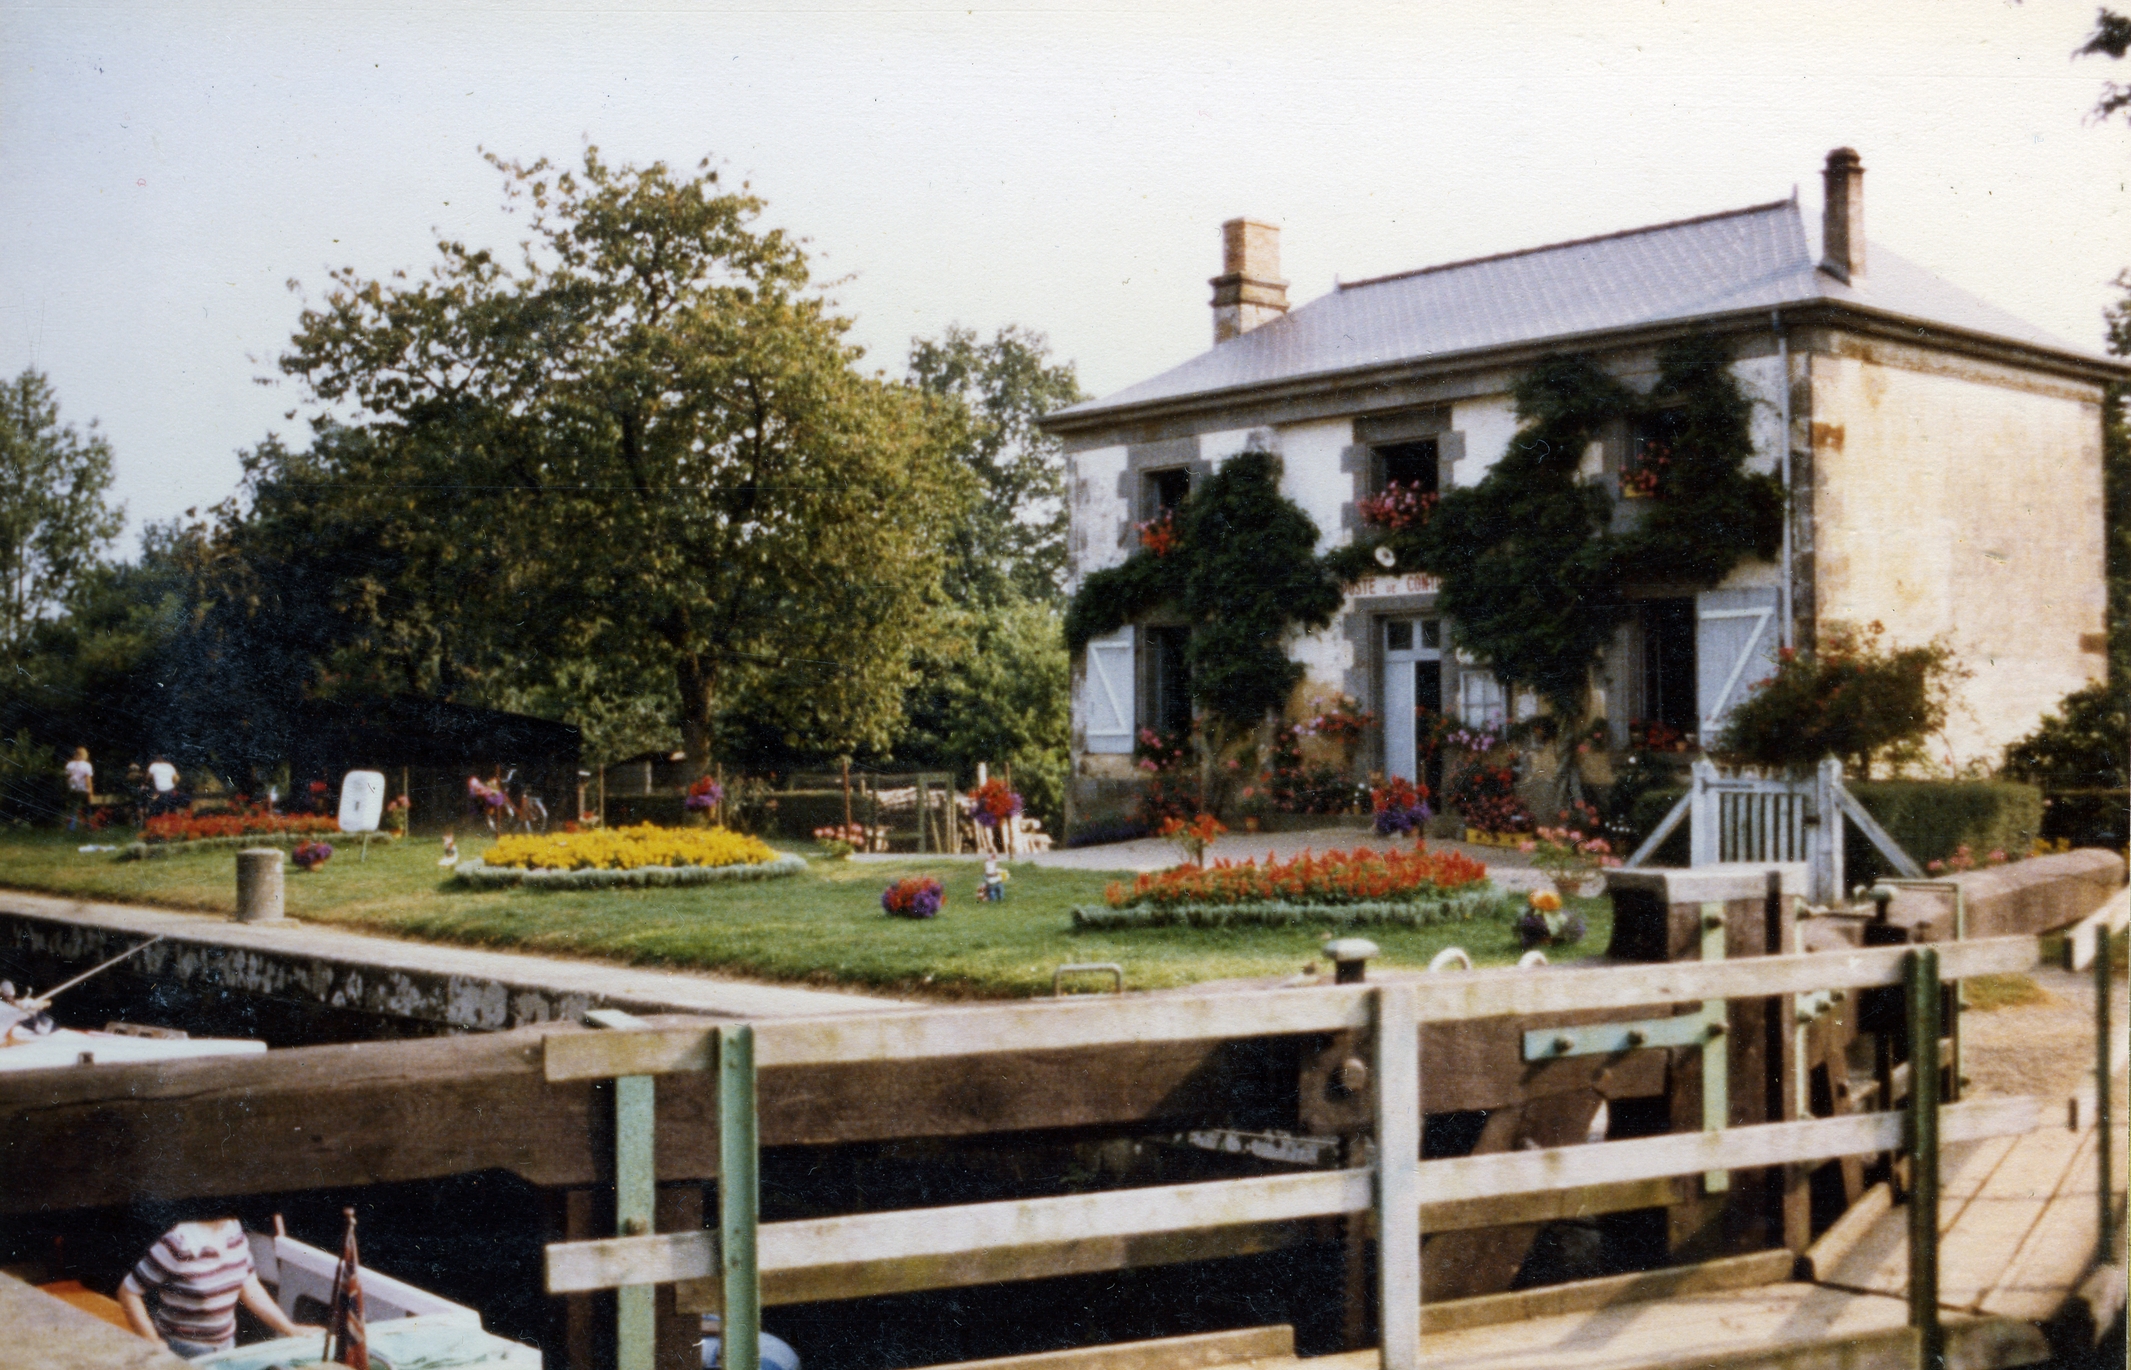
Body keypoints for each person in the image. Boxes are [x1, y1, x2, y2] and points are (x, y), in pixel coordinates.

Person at [117, 1214, 317, 1359]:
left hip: (226, 1350)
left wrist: (290, 1328)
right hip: (182, 1353)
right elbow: (128, 1291)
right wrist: (152, 1341)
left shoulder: (234, 1230)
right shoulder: (178, 1242)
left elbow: (249, 1286)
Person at [64, 748, 93, 830]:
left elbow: (67, 777)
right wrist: (90, 791)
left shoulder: (70, 764)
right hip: (84, 789)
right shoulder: (87, 765)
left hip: (73, 789)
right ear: (84, 756)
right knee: (87, 807)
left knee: (72, 808)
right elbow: (88, 779)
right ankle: (88, 824)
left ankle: (71, 827)